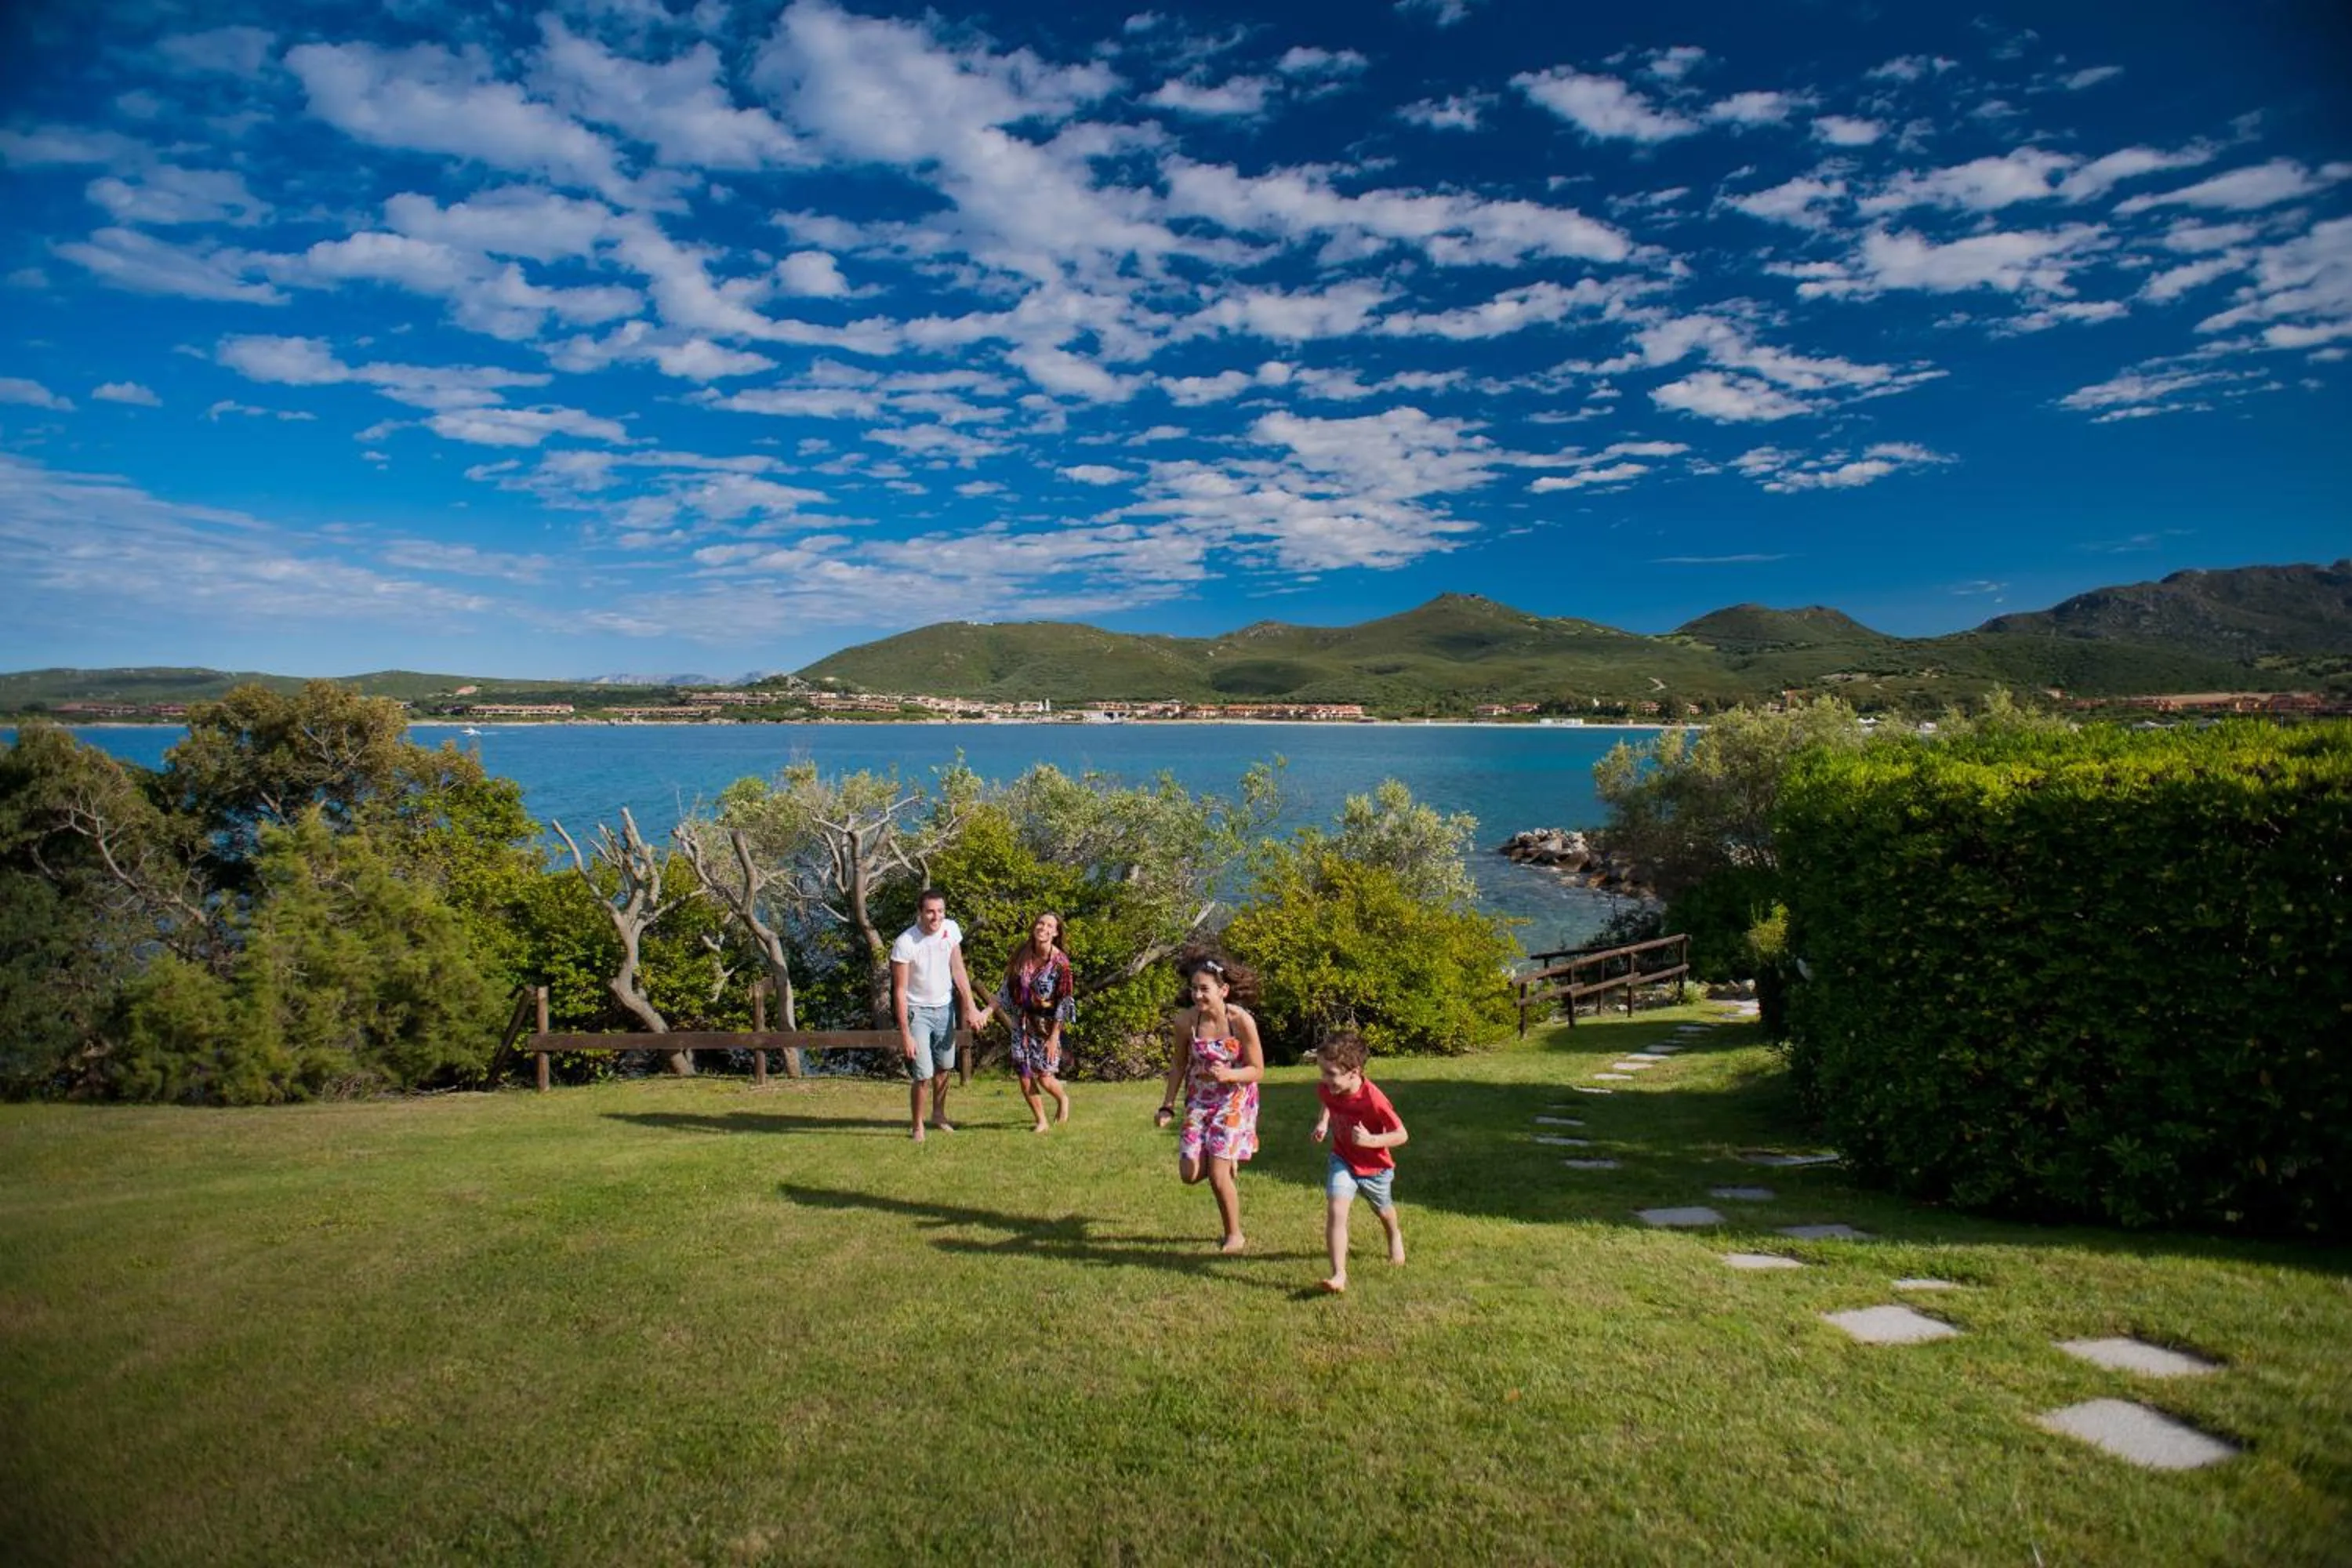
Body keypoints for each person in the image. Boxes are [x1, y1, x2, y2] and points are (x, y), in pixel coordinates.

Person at [1154, 950, 1264, 1253]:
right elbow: (1178, 1065)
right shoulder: (1185, 1022)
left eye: (1205, 989)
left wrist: (1229, 1074)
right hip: (1199, 1101)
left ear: (1223, 990)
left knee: (1217, 1176)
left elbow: (1258, 1070)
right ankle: (1225, 1162)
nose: (1198, 995)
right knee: (1189, 1175)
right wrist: (1167, 1105)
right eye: (1194, 989)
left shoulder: (1240, 1021)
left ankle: (1234, 1235)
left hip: (1235, 1099)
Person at [1311, 1030, 1408, 1294]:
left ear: (1354, 1072)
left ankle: (1394, 1235)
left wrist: (1370, 1141)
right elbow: (1328, 1100)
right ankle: (1338, 1275)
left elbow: (1402, 1135)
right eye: (1322, 1072)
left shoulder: (1374, 1099)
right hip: (1342, 1158)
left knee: (1384, 1211)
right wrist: (1323, 1122)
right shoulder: (1329, 1088)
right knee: (1336, 1209)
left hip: (1375, 1168)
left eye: (1330, 1074)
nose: (1324, 1080)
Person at [890, 887, 984, 1143]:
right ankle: (917, 1125)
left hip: (945, 1009)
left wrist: (972, 1007)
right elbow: (899, 991)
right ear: (920, 912)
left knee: (944, 1067)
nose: (936, 917)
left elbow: (958, 970)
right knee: (923, 1074)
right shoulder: (905, 943)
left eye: (940, 911)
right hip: (916, 1012)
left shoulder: (951, 929)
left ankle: (939, 1115)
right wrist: (905, 1034)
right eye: (930, 911)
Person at [982, 909, 1076, 1134]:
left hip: (1046, 1027)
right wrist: (986, 1012)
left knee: (1044, 1077)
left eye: (1049, 926)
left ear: (1056, 933)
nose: (1043, 928)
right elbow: (1005, 990)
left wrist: (1054, 1037)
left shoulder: (1061, 963)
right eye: (1040, 924)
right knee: (1024, 1075)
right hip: (1021, 1025)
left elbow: (1064, 1002)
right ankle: (1041, 1121)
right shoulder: (1022, 954)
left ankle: (1062, 1099)